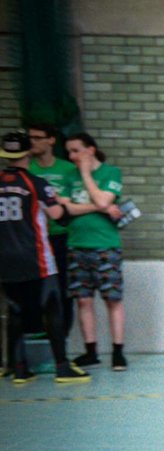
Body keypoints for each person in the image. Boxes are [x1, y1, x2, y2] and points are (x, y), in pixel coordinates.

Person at [0, 132, 90, 384]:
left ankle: (18, 368)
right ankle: (62, 366)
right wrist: (63, 203)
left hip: (5, 258)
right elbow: (57, 214)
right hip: (35, 256)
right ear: (28, 153)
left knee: (15, 310)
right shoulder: (36, 183)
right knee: (52, 309)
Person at [62, 133, 127, 371]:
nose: (72, 156)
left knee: (113, 299)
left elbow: (103, 200)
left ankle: (118, 351)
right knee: (83, 300)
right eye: (69, 152)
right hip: (76, 244)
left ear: (90, 150)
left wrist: (87, 175)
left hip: (105, 245)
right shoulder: (70, 175)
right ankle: (91, 351)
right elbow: (66, 207)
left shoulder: (110, 173)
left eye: (76, 150)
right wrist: (102, 208)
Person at [27, 123, 79, 336]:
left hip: (62, 236)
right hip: (34, 239)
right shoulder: (27, 170)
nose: (33, 142)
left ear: (51, 140)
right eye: (30, 138)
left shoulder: (67, 169)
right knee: (34, 289)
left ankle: (62, 339)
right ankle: (35, 337)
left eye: (38, 138)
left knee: (63, 290)